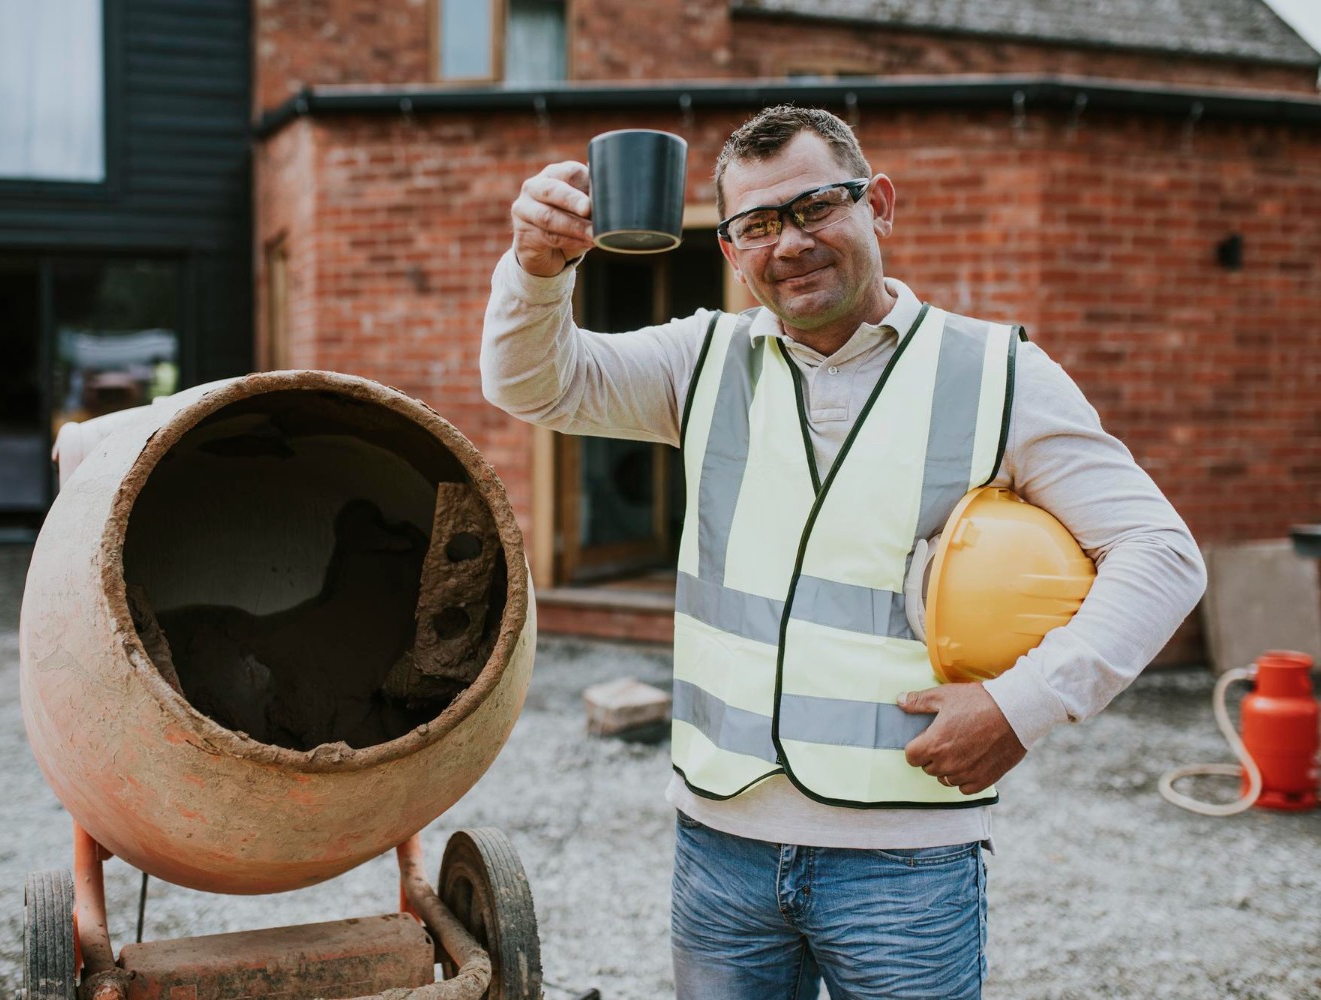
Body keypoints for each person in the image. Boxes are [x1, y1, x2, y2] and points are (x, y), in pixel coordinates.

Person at [480, 104, 1206, 1000]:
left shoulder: (999, 373)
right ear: (732, 252)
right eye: (757, 225)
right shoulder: (700, 359)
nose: (789, 243)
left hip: (904, 865)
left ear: (880, 205)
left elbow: (1160, 552)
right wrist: (536, 268)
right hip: (720, 848)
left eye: (816, 205)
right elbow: (531, 382)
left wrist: (1024, 706)